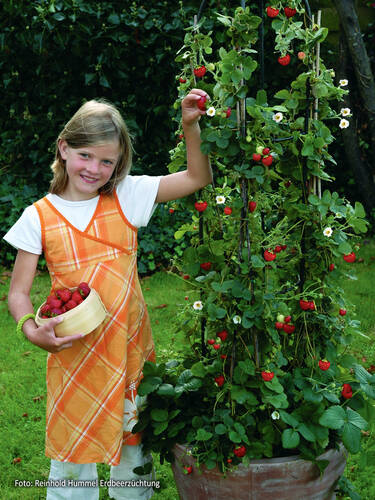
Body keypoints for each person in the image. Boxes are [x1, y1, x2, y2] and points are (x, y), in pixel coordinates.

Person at [4, 89, 212, 500]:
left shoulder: (127, 197)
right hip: (74, 355)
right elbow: (18, 293)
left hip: (128, 352)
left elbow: (197, 178)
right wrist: (31, 329)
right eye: (85, 155)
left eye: (107, 161)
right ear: (64, 148)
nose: (94, 168)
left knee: (132, 464)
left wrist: (191, 127)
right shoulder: (38, 216)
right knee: (70, 467)